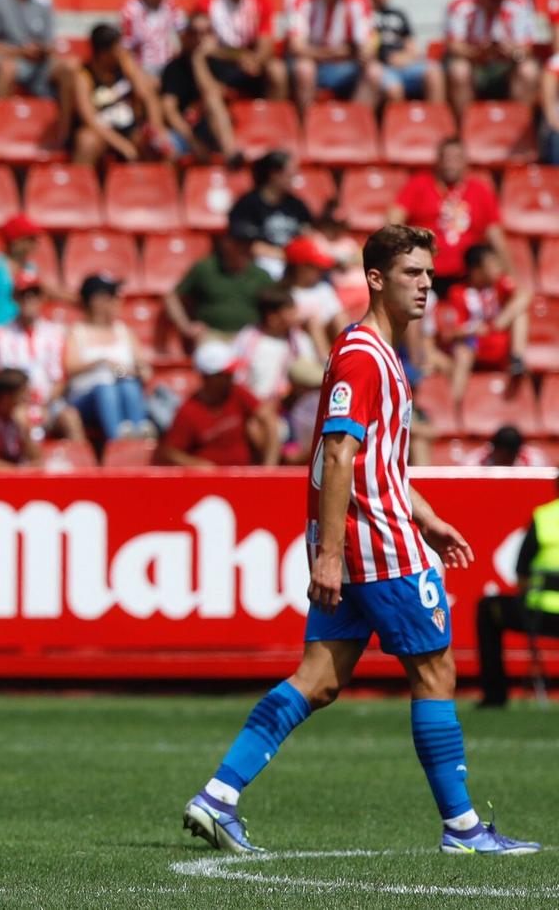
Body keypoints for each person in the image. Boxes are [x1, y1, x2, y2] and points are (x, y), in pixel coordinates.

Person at [183, 224, 541, 858]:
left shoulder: (378, 353)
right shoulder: (364, 355)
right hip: (373, 542)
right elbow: (340, 453)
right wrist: (330, 554)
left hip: (362, 535)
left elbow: (379, 460)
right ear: (376, 279)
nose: (427, 284)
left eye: (430, 274)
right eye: (412, 273)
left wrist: (426, 515)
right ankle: (462, 830)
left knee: (318, 679)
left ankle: (218, 797)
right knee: (436, 670)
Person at [475, 484, 559, 707]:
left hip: (542, 613)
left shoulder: (545, 517)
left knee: (488, 609)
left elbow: (521, 573)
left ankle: (494, 696)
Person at [389, 139, 507, 282]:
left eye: (456, 158)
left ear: (466, 161)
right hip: (425, 272)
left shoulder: (480, 191)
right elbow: (394, 221)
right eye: (446, 158)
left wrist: (509, 274)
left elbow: (496, 237)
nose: (450, 163)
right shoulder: (419, 184)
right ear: (438, 160)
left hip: (467, 276)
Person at [69, 22, 183, 166]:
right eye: (117, 47)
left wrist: (157, 130)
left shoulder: (126, 65)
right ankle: (80, 185)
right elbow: (89, 119)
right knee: (86, 142)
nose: (122, 50)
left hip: (129, 128)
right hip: (102, 131)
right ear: (104, 53)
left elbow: (148, 98)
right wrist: (121, 144)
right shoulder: (84, 76)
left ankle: (159, 186)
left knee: (163, 147)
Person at [155, 339, 277, 467]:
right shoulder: (188, 411)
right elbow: (170, 452)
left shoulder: (237, 392)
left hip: (245, 475)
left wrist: (269, 467)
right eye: (227, 374)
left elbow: (268, 419)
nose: (232, 377)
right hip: (210, 484)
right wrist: (197, 465)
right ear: (209, 377)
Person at [0, 276, 83, 441]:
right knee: (21, 419)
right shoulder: (0, 335)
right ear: (15, 298)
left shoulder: (56, 333)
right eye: (23, 294)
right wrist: (23, 404)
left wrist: (45, 405)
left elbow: (60, 378)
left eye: (34, 294)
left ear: (42, 298)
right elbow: (3, 379)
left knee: (70, 418)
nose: (29, 299)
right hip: (16, 405)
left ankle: (83, 466)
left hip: (49, 403)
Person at [442, 0, 538, 114]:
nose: (495, 0)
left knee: (529, 71)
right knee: (459, 71)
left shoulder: (520, 1)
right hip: (472, 63)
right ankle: (465, 129)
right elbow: (453, 45)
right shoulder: (460, 1)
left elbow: (526, 48)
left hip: (506, 65)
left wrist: (512, 51)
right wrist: (477, 52)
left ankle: (519, 127)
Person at [283, 0, 380, 110]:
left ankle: (355, 124)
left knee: (374, 72)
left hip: (344, 67)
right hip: (314, 65)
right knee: (304, 69)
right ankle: (309, 125)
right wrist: (333, 54)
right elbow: (296, 47)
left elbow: (367, 47)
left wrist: (361, 52)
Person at [64, 274, 152, 441]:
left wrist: (128, 371)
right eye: (112, 296)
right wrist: (102, 363)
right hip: (86, 397)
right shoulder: (77, 332)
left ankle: (139, 436)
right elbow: (70, 367)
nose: (118, 301)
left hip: (124, 390)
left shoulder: (125, 331)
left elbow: (144, 368)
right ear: (95, 301)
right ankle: (117, 441)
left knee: (129, 387)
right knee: (105, 389)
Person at [439, 242, 530, 402]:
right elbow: (451, 332)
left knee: (520, 314)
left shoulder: (500, 284)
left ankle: (517, 359)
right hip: (476, 345)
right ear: (476, 270)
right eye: (491, 264)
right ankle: (454, 406)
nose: (497, 268)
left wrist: (503, 319)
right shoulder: (458, 293)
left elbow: (525, 295)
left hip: (501, 343)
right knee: (463, 351)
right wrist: (473, 330)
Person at [200, 0, 285, 98]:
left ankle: (274, 118)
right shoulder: (208, 3)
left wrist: (255, 60)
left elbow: (266, 42)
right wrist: (239, 57)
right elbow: (207, 47)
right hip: (221, 61)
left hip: (252, 61)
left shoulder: (261, 1)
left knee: (277, 71)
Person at [358, 0, 446, 104]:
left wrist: (406, 58)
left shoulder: (398, 14)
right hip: (379, 67)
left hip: (404, 65)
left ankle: (437, 122)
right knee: (394, 89)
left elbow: (412, 47)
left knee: (434, 72)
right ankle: (396, 125)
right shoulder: (361, 14)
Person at [157, 10, 238, 159]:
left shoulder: (220, 65)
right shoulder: (175, 68)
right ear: (186, 35)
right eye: (194, 33)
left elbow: (213, 94)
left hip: (216, 129)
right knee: (163, 146)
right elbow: (169, 109)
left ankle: (230, 156)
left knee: (212, 102)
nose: (199, 38)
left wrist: (198, 60)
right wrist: (193, 141)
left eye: (205, 32)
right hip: (186, 131)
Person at [168, 232, 272, 341]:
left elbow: (278, 304)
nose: (244, 248)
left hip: (249, 337)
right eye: (239, 243)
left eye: (248, 244)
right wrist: (186, 327)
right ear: (226, 243)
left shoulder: (261, 275)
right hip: (212, 336)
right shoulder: (205, 268)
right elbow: (172, 296)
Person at [229, 287, 320, 407]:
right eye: (290, 312)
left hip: (288, 408)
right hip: (251, 406)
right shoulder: (246, 338)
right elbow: (237, 377)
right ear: (272, 317)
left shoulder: (300, 340)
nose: (296, 316)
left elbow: (308, 377)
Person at [228, 151, 314, 275]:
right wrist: (283, 255)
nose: (295, 180)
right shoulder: (248, 204)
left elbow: (307, 234)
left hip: (293, 261)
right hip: (261, 262)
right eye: (290, 175)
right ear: (274, 175)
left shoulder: (297, 205)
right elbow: (246, 245)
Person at [121, 0, 186, 78]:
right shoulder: (131, 9)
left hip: (169, 67)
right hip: (143, 68)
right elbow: (125, 49)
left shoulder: (170, 5)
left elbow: (184, 34)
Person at [0, 213, 42, 330]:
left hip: (17, 335)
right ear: (17, 241)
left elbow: (47, 290)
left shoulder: (31, 268)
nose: (34, 244)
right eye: (30, 239)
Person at [285, 234, 346, 357]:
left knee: (340, 316)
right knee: (314, 322)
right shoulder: (286, 293)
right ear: (301, 268)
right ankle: (326, 363)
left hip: (331, 340)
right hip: (302, 347)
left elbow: (337, 319)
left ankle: (349, 355)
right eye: (315, 267)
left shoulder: (324, 288)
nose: (321, 271)